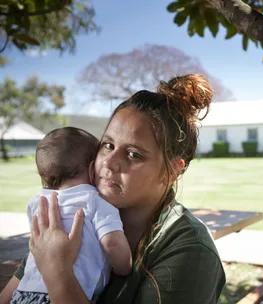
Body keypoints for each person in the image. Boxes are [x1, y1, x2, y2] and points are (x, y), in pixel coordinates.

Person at [0, 74, 226, 304]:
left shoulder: (190, 251)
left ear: (172, 171)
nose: (108, 162)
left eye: (133, 154)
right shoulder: (70, 216)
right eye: (108, 145)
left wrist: (57, 270)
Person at [9, 127, 132, 304]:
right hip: (66, 293)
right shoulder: (95, 202)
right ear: (92, 169)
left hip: (22, 293)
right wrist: (124, 267)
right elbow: (112, 243)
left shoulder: (36, 203)